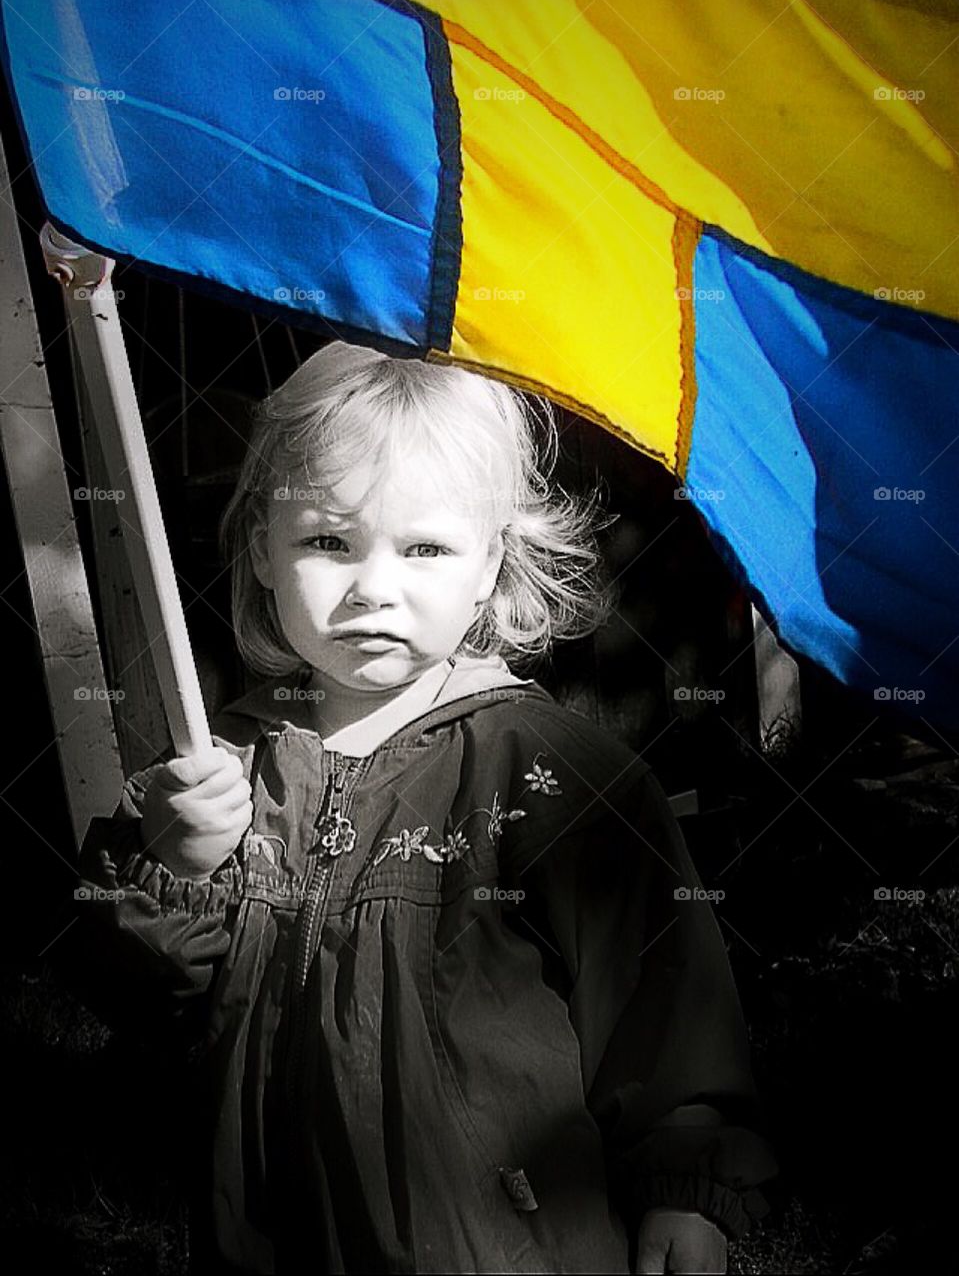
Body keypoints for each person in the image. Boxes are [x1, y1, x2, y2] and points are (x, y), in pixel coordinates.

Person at [74, 342, 777, 1274]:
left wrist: (685, 1183)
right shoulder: (219, 770)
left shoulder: (553, 777)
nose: (373, 588)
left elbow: (661, 1003)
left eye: (425, 548)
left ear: (490, 564)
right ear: (263, 552)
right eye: (328, 541)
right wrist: (182, 869)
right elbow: (136, 1008)